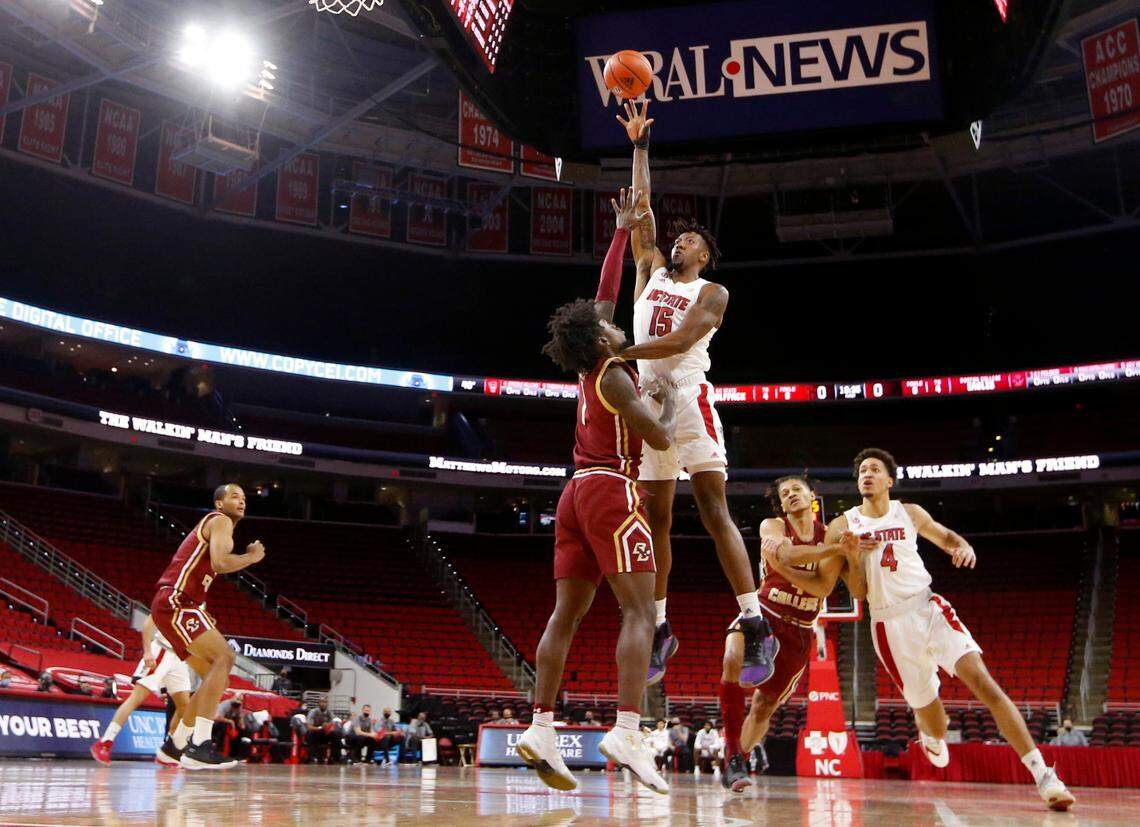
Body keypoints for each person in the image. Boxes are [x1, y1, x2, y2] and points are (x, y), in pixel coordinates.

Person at [779, 448, 1075, 812]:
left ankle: (1044, 775)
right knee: (933, 717)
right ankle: (931, 735)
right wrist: (854, 555)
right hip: (888, 625)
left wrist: (962, 547)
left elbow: (947, 536)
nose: (866, 475)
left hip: (927, 606)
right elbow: (857, 591)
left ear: (889, 480)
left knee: (985, 684)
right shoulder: (844, 525)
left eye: (874, 469)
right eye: (861, 472)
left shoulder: (910, 512)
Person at [515, 192, 675, 796]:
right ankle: (628, 729)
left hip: (573, 497)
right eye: (610, 326)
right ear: (604, 341)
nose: (614, 320)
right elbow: (656, 434)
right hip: (613, 490)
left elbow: (601, 297)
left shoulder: (589, 365)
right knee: (638, 611)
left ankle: (540, 724)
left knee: (567, 614)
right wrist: (668, 400)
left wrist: (618, 234)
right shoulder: (614, 373)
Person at [616, 99, 773, 687]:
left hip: (686, 396)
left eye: (687, 241)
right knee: (655, 518)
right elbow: (644, 210)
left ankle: (754, 622)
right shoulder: (649, 273)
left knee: (712, 510)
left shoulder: (714, 292)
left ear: (703, 255)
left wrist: (622, 354)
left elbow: (681, 339)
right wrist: (639, 147)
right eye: (674, 239)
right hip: (646, 401)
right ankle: (661, 626)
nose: (676, 243)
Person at [719, 475, 858, 793]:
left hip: (799, 629)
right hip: (763, 613)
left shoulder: (829, 531)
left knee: (764, 705)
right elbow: (787, 556)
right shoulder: (773, 525)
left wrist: (783, 561)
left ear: (812, 495)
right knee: (732, 657)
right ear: (781, 503)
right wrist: (832, 551)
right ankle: (731, 756)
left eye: (797, 489)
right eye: (785, 493)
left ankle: (742, 755)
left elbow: (822, 587)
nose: (792, 494)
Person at [149, 483, 265, 770]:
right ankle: (200, 745)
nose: (241, 501)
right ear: (218, 504)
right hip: (176, 601)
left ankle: (176, 745)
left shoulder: (220, 528)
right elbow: (220, 562)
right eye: (234, 496)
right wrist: (251, 557)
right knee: (225, 657)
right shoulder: (220, 521)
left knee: (214, 672)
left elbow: (200, 570)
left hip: (176, 604)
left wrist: (201, 611)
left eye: (244, 497)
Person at [90, 616, 193, 766]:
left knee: (185, 707)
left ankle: (167, 751)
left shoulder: (199, 602)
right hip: (161, 652)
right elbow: (148, 623)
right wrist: (147, 652)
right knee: (136, 699)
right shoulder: (171, 593)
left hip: (179, 659)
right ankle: (105, 742)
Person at [305, 698, 339, 764]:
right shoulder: (313, 712)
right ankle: (312, 758)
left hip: (325, 734)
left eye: (325, 702)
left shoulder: (330, 713)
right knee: (310, 733)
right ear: (319, 703)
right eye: (322, 702)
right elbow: (309, 727)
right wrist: (320, 728)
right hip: (316, 733)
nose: (323, 704)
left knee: (336, 734)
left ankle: (332, 758)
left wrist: (328, 726)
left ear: (327, 704)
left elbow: (334, 723)